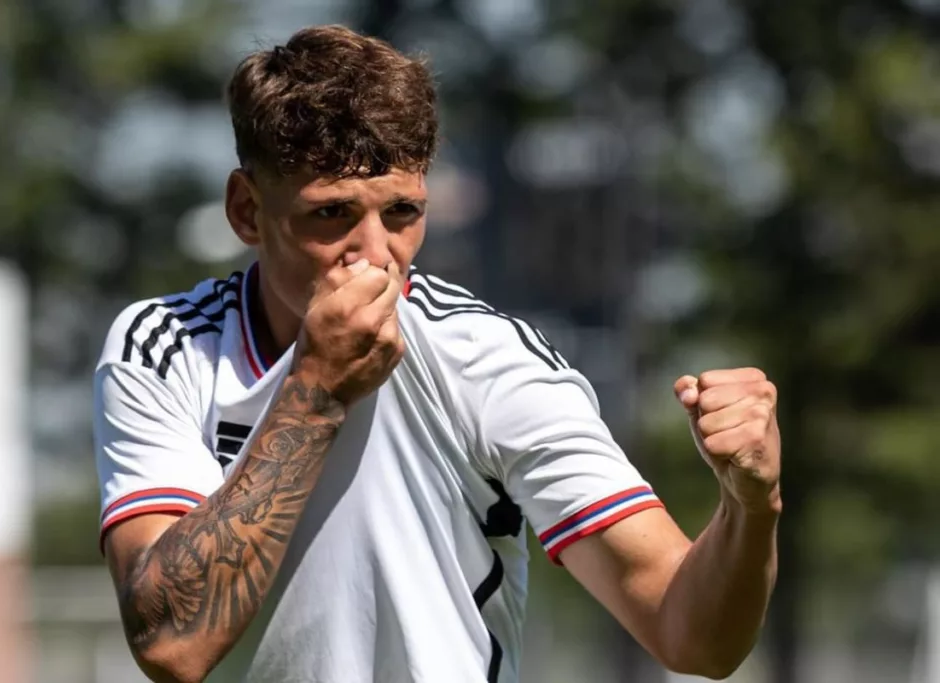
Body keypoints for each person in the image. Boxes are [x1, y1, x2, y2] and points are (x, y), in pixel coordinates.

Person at [93, 24, 782, 683]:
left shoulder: (487, 359)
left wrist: (749, 509)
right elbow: (172, 643)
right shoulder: (165, 348)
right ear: (247, 210)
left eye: (402, 213)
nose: (374, 255)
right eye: (331, 213)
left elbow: (692, 635)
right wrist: (316, 392)